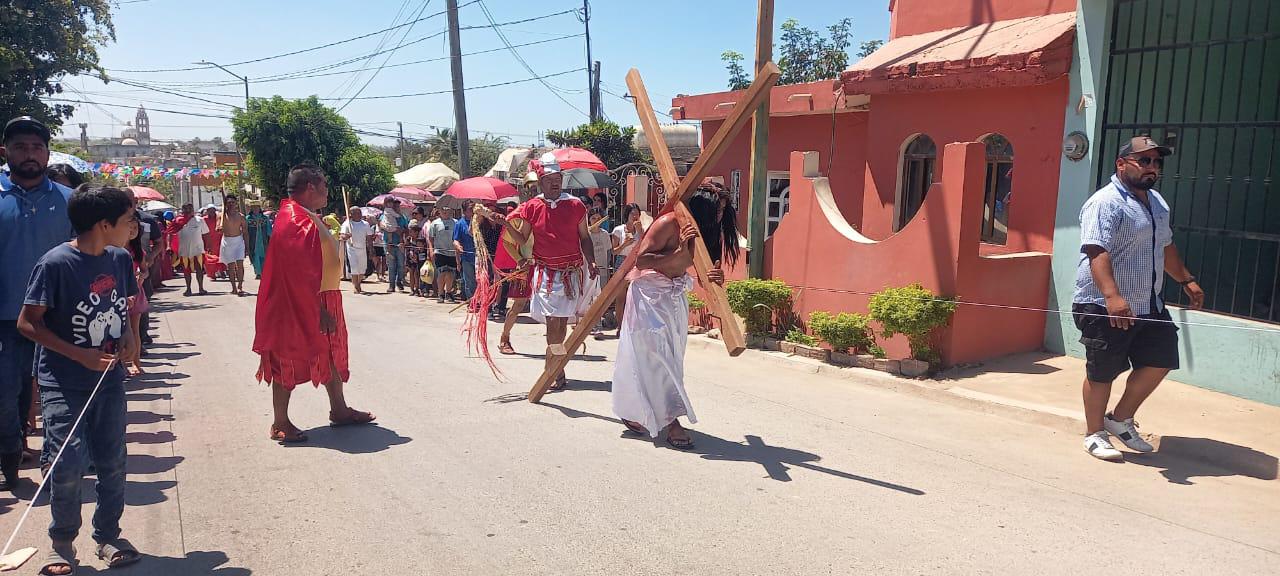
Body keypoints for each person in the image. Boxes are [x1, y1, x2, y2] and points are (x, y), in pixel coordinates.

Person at [17, 185, 143, 573]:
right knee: (67, 463)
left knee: (113, 460)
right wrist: (81, 356)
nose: (134, 227)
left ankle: (107, 535)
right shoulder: (55, 264)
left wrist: (128, 336)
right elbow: (27, 324)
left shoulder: (120, 259)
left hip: (108, 383)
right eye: (128, 220)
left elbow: (123, 307)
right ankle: (62, 543)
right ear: (104, 224)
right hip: (63, 382)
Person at [1074, 136, 1204, 462]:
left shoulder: (1157, 202)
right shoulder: (1105, 203)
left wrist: (1186, 279)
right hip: (1104, 303)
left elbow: (1166, 246)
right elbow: (1096, 250)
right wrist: (1112, 296)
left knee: (1161, 360)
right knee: (1102, 370)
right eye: (1143, 161)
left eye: (1156, 162)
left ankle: (1119, 419)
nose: (1152, 168)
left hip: (1150, 304)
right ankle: (1094, 433)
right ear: (1122, 164)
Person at [253, 164, 374, 444]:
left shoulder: (305, 215)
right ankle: (280, 421)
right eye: (323, 185)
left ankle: (339, 409)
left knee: (332, 354)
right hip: (302, 302)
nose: (327, 191)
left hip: (325, 297)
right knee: (289, 356)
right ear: (310, 188)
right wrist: (315, 309)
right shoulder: (294, 220)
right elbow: (295, 274)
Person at [612, 186, 739, 449]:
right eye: (717, 209)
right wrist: (678, 254)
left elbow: (705, 273)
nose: (720, 215)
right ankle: (671, 421)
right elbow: (643, 260)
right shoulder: (669, 224)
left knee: (671, 358)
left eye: (724, 210)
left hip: (674, 297)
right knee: (654, 357)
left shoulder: (707, 230)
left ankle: (638, 411)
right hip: (648, 295)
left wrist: (715, 277)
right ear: (703, 207)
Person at [0, 116, 74, 491]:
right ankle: (10, 459)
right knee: (6, 397)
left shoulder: (68, 201)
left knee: (58, 397)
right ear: (5, 152)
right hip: (6, 320)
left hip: (58, 322)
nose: (29, 154)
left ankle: (56, 463)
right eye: (20, 147)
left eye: (36, 147)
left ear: (46, 153)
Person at [492, 152, 598, 389]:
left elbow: (585, 237)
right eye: (550, 178)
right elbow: (522, 238)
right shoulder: (532, 206)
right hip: (547, 275)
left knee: (561, 324)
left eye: (558, 178)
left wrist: (590, 260)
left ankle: (554, 366)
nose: (555, 182)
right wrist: (507, 223)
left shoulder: (576, 205)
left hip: (571, 274)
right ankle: (555, 370)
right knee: (553, 324)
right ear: (541, 182)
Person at [603, 203, 646, 338]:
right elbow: (614, 251)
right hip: (622, 261)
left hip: (637, 262)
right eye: (632, 214)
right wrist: (625, 244)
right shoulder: (618, 230)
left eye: (637, 214)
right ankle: (621, 326)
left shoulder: (642, 231)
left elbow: (647, 245)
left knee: (635, 297)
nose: (635, 216)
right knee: (621, 297)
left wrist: (640, 232)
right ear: (626, 215)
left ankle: (634, 327)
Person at [173, 203, 210, 296]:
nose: (188, 211)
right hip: (184, 250)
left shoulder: (199, 220)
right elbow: (172, 234)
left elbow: (206, 234)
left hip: (198, 250)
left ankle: (201, 288)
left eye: (190, 209)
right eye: (185, 209)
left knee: (199, 269)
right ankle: (188, 289)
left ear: (193, 210)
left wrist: (207, 246)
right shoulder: (177, 221)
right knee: (186, 270)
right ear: (182, 210)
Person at [219, 194, 249, 296]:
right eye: (229, 203)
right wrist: (219, 228)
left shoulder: (241, 216)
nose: (231, 204)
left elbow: (245, 232)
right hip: (227, 242)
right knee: (231, 267)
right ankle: (233, 287)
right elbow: (217, 228)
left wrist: (247, 247)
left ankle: (240, 285)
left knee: (240, 265)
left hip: (239, 241)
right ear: (226, 204)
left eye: (233, 202)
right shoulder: (221, 215)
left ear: (236, 204)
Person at [427, 207, 459, 303]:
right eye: (443, 209)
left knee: (450, 273)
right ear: (439, 211)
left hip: (452, 251)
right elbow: (430, 238)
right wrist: (431, 250)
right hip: (440, 251)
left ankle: (448, 292)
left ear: (451, 211)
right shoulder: (435, 223)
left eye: (447, 209)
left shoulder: (456, 222)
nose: (445, 211)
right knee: (442, 272)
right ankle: (440, 293)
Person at [339, 206, 372, 294]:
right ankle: (355, 286)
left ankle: (358, 283)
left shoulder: (365, 224)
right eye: (357, 213)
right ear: (351, 214)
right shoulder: (347, 224)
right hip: (351, 248)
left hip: (362, 249)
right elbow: (341, 236)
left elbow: (369, 238)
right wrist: (347, 236)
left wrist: (371, 249)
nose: (359, 214)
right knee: (354, 268)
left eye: (360, 212)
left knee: (362, 269)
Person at [380, 200, 409, 293]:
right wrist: (388, 228)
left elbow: (406, 229)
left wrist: (402, 232)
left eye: (398, 206)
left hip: (399, 243)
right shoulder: (385, 215)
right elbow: (380, 225)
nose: (396, 208)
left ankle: (399, 281)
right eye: (394, 206)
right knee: (391, 265)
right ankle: (391, 285)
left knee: (401, 264)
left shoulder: (402, 217)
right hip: (389, 243)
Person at [453, 201, 478, 302]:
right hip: (467, 257)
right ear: (465, 211)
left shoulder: (479, 221)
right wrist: (458, 247)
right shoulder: (460, 224)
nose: (472, 211)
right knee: (469, 281)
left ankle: (480, 300)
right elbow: (455, 240)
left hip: (479, 256)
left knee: (480, 280)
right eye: (470, 209)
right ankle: (472, 301)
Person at [247, 204, 273, 279]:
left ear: (259, 208)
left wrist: (271, 238)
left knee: (264, 256)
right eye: (253, 207)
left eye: (257, 207)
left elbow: (269, 230)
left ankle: (263, 271)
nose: (255, 209)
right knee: (255, 256)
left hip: (263, 240)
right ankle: (258, 272)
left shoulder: (265, 218)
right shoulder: (248, 219)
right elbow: (246, 231)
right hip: (253, 241)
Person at [201, 204, 227, 280]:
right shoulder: (203, 219)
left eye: (213, 210)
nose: (211, 212)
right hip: (208, 242)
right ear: (207, 211)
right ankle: (212, 274)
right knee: (210, 259)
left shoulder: (219, 218)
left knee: (221, 258)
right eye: (209, 210)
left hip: (219, 241)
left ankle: (222, 271)